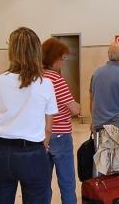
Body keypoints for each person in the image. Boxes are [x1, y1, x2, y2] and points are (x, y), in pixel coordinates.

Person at [0, 27, 58, 203]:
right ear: (36, 52)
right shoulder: (46, 83)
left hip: (0, 151)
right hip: (33, 151)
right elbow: (48, 127)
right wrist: (44, 146)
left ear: (11, 51)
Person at [42, 38, 80, 204]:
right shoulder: (56, 79)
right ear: (53, 58)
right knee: (67, 182)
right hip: (61, 135)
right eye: (62, 59)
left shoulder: (36, 76)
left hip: (42, 136)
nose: (63, 63)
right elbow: (75, 109)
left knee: (43, 183)